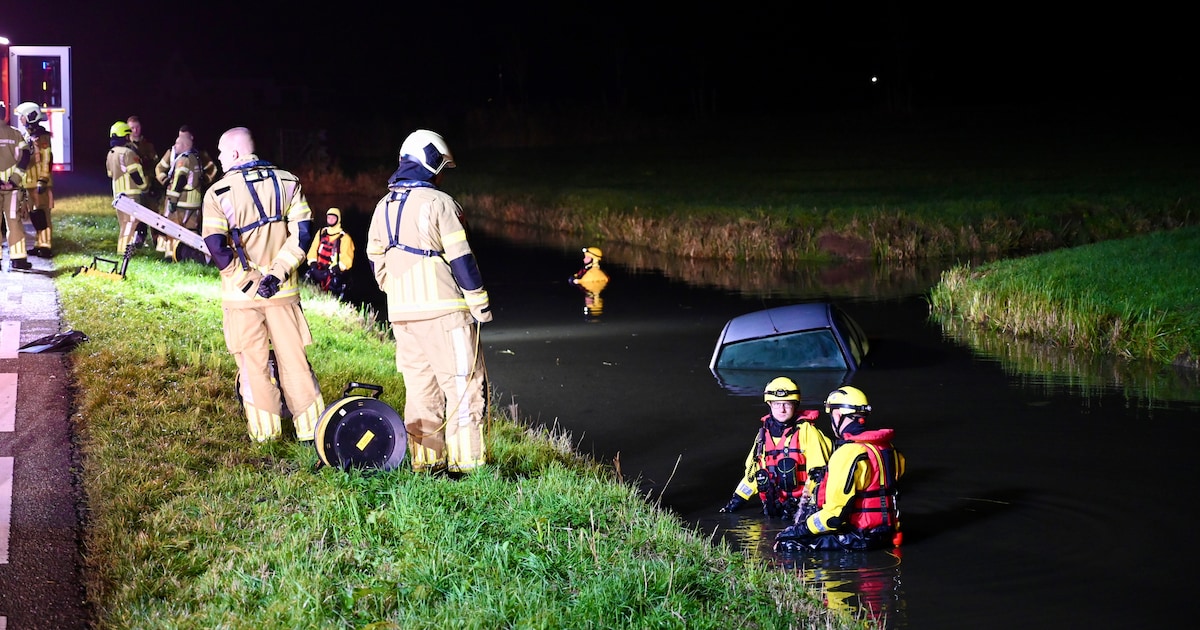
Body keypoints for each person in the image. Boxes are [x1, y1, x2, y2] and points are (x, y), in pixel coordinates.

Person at [365, 129, 492, 475]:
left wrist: (395, 290)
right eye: (441, 167)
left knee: (421, 391)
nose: (441, 175)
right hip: (445, 313)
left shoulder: (383, 206)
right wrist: (480, 303)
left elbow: (375, 259)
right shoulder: (440, 203)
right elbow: (462, 258)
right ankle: (467, 468)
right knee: (464, 387)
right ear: (430, 162)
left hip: (402, 316)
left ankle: (427, 464)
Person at [200, 126, 325, 443]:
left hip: (241, 298)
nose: (219, 158)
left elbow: (216, 246)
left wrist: (247, 281)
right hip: (283, 292)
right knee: (295, 361)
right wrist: (277, 274)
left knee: (253, 365)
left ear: (235, 153)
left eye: (221, 152)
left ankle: (266, 435)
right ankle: (312, 430)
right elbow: (304, 235)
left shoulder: (218, 193)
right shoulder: (289, 182)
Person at [774, 386, 905, 552]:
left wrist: (800, 530)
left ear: (837, 415)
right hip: (888, 533)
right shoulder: (889, 449)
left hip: (858, 537)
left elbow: (833, 517)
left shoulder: (847, 453)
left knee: (787, 545)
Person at [719, 376, 833, 519]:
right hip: (775, 506)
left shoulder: (807, 432)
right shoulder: (763, 436)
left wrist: (805, 508)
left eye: (787, 404)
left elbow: (818, 475)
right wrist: (736, 501)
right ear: (770, 405)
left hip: (802, 507)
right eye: (777, 404)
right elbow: (753, 475)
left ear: (795, 405)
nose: (782, 409)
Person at [154, 127, 204, 260]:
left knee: (173, 228)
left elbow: (180, 180)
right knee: (191, 230)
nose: (175, 146)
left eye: (178, 143)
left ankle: (171, 255)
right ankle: (193, 255)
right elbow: (160, 168)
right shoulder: (195, 156)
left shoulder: (184, 159)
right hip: (194, 201)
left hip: (182, 201)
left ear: (185, 144)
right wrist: (164, 180)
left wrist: (173, 200)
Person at [15, 102, 54, 258]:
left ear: (30, 117)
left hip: (39, 182)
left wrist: (43, 179)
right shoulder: (28, 136)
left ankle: (45, 246)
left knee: (43, 215)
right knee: (36, 216)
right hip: (29, 182)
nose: (21, 119)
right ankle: (39, 244)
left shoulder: (42, 137)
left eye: (22, 117)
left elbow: (46, 159)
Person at [107, 120, 150, 254]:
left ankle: (123, 251)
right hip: (131, 196)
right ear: (125, 136)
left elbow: (110, 174)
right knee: (131, 224)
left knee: (124, 224)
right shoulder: (128, 153)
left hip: (118, 195)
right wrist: (145, 186)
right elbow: (135, 173)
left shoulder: (111, 153)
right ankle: (124, 253)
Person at [0, 101, 33, 270]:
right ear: (4, 115)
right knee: (14, 222)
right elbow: (25, 158)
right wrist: (13, 180)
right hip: (12, 189)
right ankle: (18, 259)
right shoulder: (16, 134)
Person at [304, 206, 355, 300]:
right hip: (319, 269)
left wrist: (332, 271)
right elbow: (313, 250)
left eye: (333, 218)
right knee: (308, 278)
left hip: (334, 273)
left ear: (338, 219)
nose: (330, 219)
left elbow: (347, 260)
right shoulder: (321, 233)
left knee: (335, 285)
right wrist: (313, 266)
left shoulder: (345, 238)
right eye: (329, 217)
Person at [128, 116, 161, 247]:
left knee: (153, 213)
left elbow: (155, 164)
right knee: (136, 215)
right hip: (133, 186)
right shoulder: (126, 146)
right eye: (132, 128)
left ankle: (157, 240)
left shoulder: (148, 145)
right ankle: (138, 239)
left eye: (137, 127)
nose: (135, 130)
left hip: (148, 183)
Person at [569, 246, 608, 318]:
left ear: (594, 259)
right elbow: (578, 275)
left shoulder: (594, 272)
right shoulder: (586, 269)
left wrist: (576, 281)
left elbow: (583, 280)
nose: (584, 259)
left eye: (587, 257)